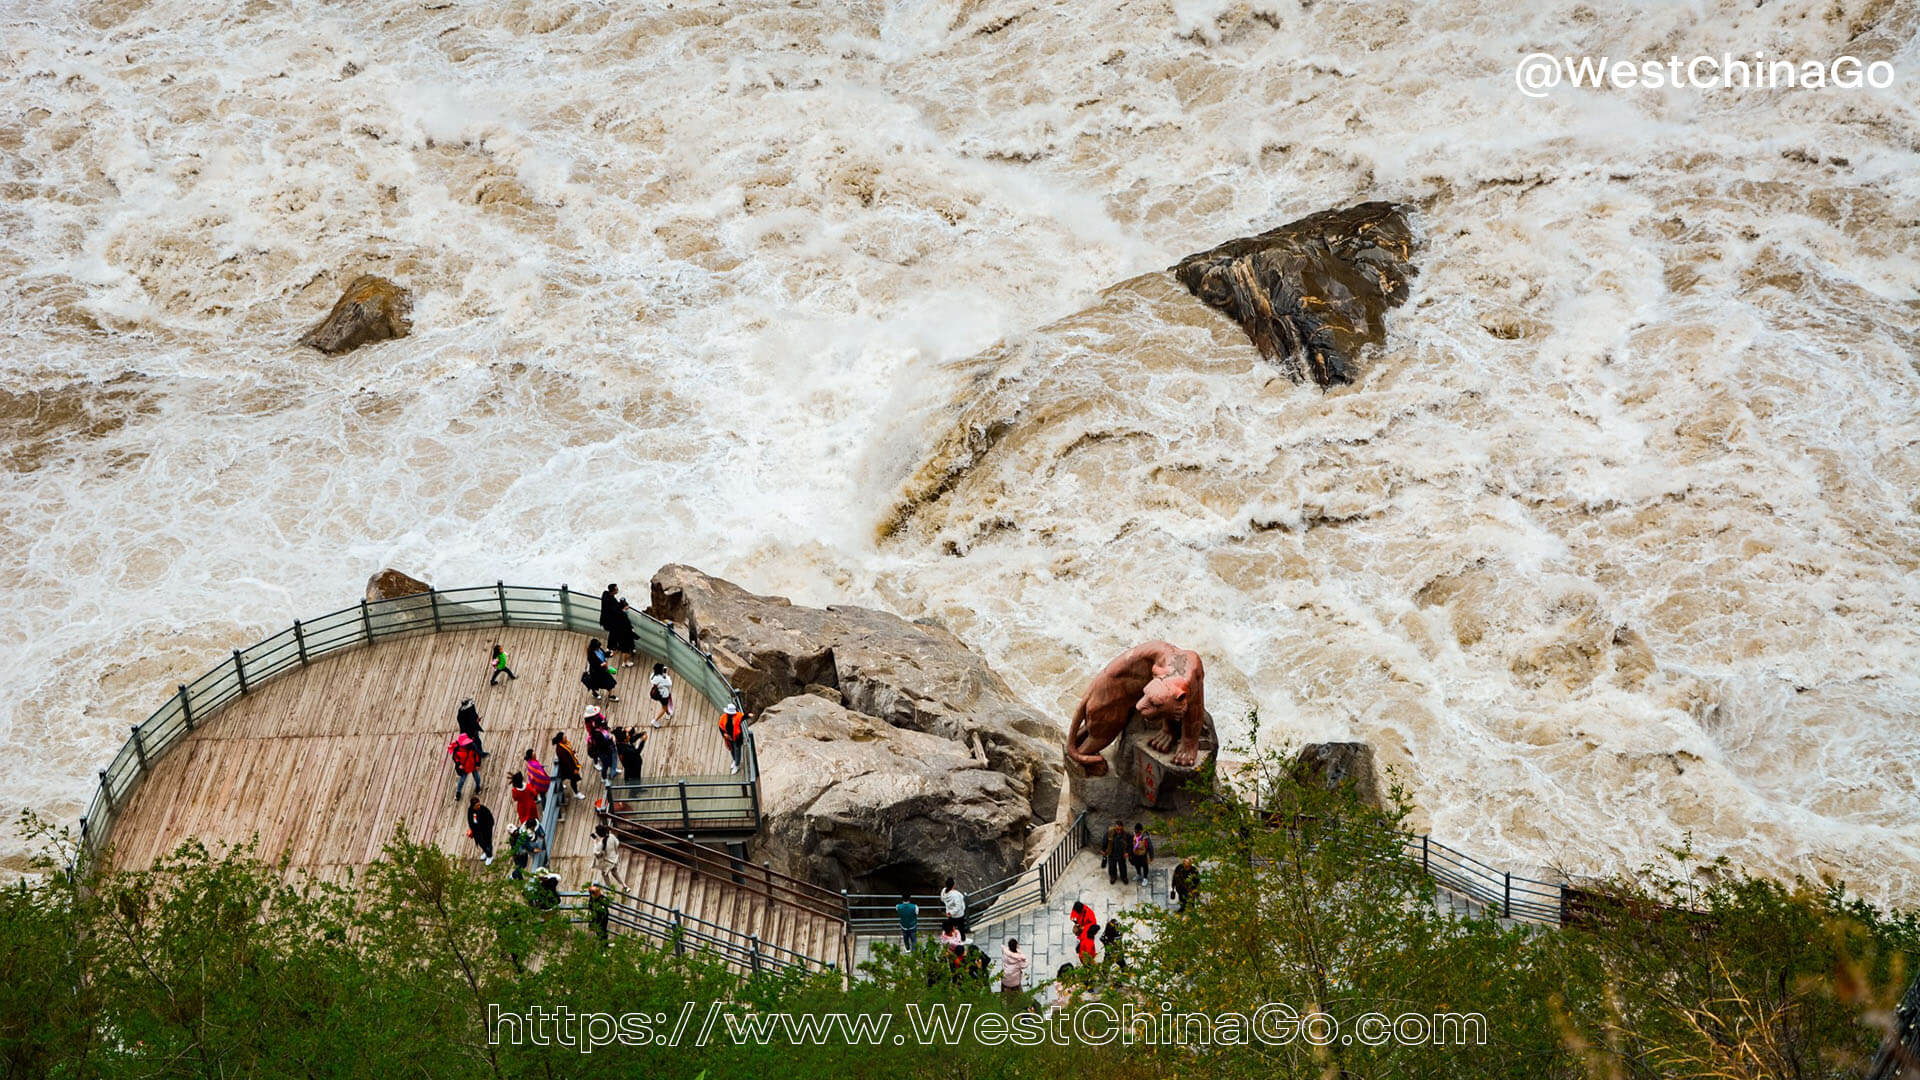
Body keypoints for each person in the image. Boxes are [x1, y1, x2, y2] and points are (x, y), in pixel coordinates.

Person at [598, 584, 638, 665]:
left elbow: (614, 607)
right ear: (613, 591)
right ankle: (611, 648)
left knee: (614, 634)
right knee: (613, 634)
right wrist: (622, 608)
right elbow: (616, 610)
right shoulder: (611, 601)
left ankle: (613, 647)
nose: (618, 590)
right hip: (611, 622)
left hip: (607, 620)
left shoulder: (605, 595)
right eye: (616, 589)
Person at [584, 707, 617, 784]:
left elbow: (604, 720)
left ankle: (612, 767)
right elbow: (601, 743)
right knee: (602, 760)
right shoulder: (594, 730)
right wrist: (610, 740)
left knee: (608, 759)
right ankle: (601, 773)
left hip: (605, 744)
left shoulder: (598, 718)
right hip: (601, 747)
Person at [580, 639, 619, 703]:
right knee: (593, 683)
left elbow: (604, 654)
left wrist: (609, 654)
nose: (599, 648)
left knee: (610, 682)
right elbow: (593, 664)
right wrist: (601, 664)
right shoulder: (591, 655)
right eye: (597, 647)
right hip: (596, 672)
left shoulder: (599, 649)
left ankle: (610, 695)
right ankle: (594, 693)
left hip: (604, 671)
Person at [591, 823, 627, 890]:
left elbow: (596, 853)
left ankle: (609, 888)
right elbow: (617, 843)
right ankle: (624, 885)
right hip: (615, 858)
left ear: (598, 834)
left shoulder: (600, 843)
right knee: (614, 872)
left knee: (604, 874)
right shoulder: (611, 836)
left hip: (608, 862)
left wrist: (595, 842)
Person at [552, 732, 585, 802]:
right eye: (564, 737)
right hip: (568, 768)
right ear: (561, 740)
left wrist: (572, 752)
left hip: (566, 767)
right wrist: (575, 769)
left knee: (563, 777)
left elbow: (568, 753)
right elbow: (567, 762)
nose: (566, 737)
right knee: (573, 780)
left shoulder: (563, 745)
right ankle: (576, 793)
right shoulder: (560, 750)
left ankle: (560, 785)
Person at [448, 732, 482, 800]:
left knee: (477, 778)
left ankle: (478, 788)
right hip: (464, 767)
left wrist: (478, 764)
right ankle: (458, 793)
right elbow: (455, 758)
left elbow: (477, 755)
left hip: (472, 765)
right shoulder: (457, 750)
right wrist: (459, 764)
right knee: (462, 781)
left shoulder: (472, 746)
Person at [466, 795, 495, 866]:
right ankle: (486, 852)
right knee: (481, 843)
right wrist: (472, 829)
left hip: (486, 829)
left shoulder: (483, 809)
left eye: (479, 804)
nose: (478, 806)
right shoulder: (470, 811)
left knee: (488, 843)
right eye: (476, 805)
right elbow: (470, 820)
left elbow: (490, 818)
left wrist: (489, 826)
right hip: (477, 831)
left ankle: (490, 856)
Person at [718, 702, 745, 774]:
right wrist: (724, 735)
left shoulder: (737, 716)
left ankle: (737, 765)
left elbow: (743, 716)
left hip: (737, 737)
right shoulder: (723, 718)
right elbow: (720, 727)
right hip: (728, 737)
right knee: (731, 749)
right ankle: (734, 760)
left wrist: (749, 715)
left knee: (737, 749)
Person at [1103, 819, 1129, 884]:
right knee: (1112, 866)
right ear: (1115, 827)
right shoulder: (1109, 832)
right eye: (1117, 829)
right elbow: (1104, 841)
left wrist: (1127, 852)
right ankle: (1113, 877)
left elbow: (1129, 844)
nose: (1119, 831)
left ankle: (1124, 877)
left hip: (1121, 853)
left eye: (1120, 829)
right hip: (1112, 852)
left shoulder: (1126, 834)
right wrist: (1103, 850)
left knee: (1122, 866)